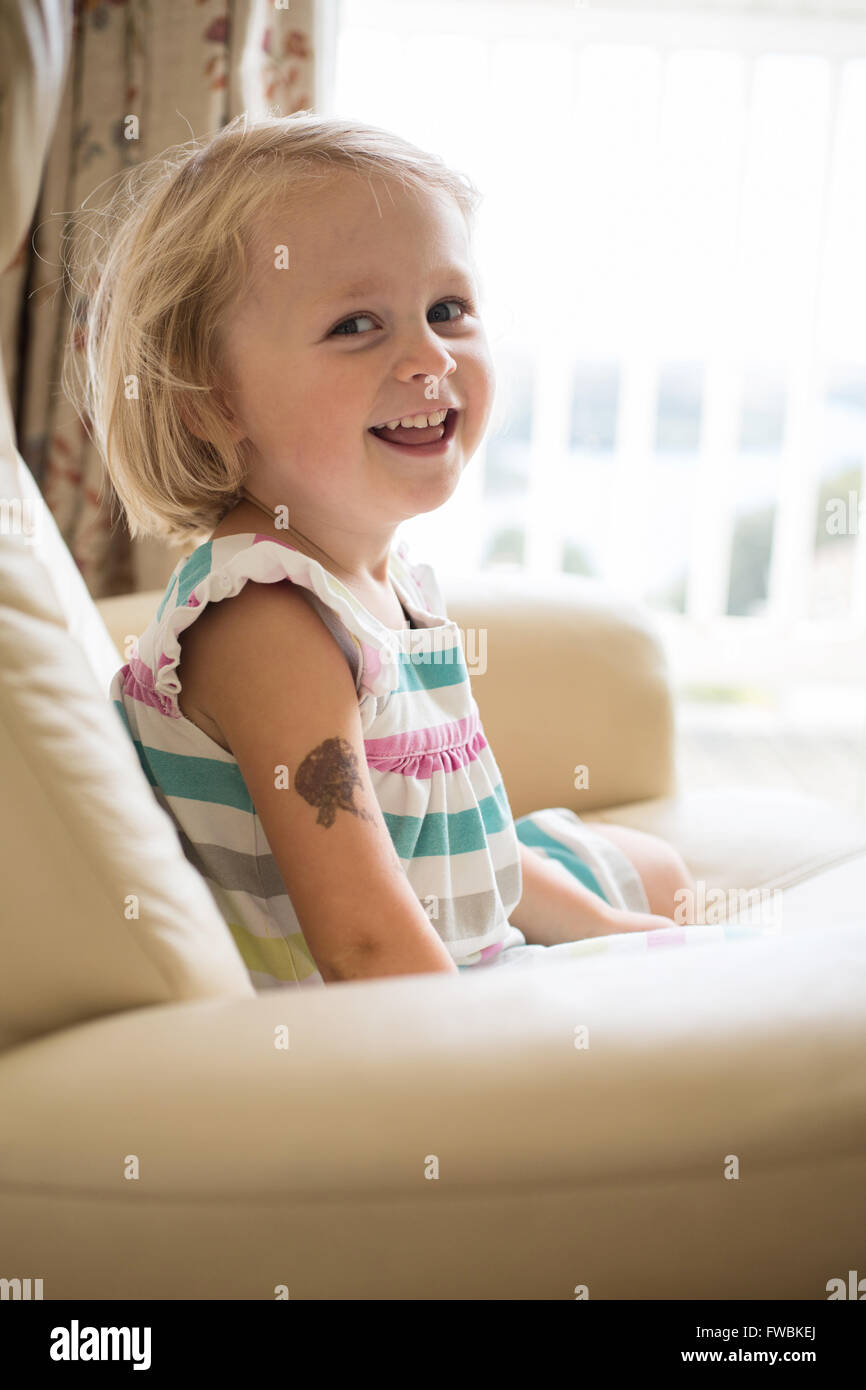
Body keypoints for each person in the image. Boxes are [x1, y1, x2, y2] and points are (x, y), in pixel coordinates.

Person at [64, 112, 699, 990]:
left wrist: (611, 933)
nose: (429, 355)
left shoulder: (377, 580)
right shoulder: (267, 618)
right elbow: (363, 944)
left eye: (447, 309)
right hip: (383, 1022)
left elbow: (459, 838)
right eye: (357, 324)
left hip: (447, 923)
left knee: (654, 872)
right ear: (212, 403)